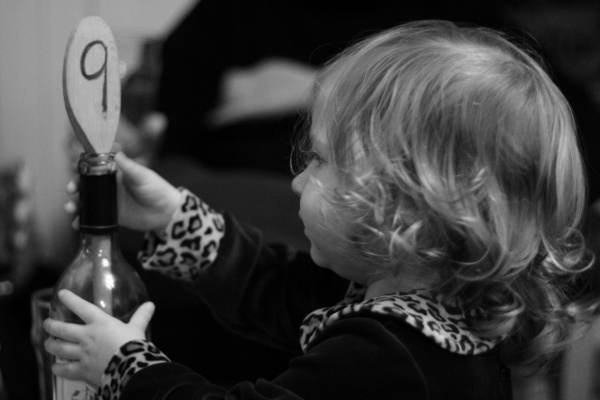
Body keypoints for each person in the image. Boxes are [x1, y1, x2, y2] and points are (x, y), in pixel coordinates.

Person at [44, 20, 598, 399]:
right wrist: (174, 216)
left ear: (402, 211)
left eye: (323, 162)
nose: (297, 181)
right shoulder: (419, 302)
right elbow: (275, 285)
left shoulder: (386, 360)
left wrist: (129, 368)